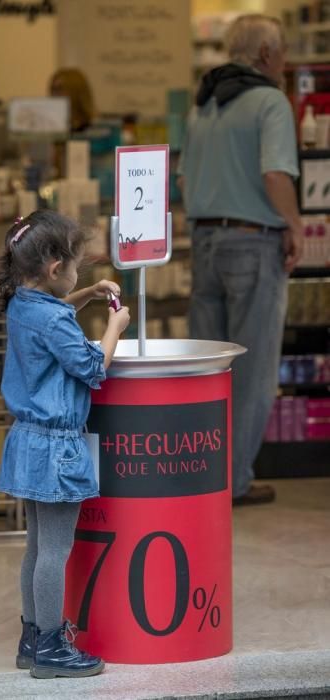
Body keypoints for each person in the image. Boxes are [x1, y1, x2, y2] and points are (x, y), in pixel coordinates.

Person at [0, 210, 130, 678]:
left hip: (27, 442)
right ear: (55, 268)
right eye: (78, 267)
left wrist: (88, 295)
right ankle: (52, 647)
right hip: (57, 448)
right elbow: (92, 367)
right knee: (55, 551)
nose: (79, 272)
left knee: (36, 547)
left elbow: (53, 318)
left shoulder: (22, 303)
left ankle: (32, 638)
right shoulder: (51, 319)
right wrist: (114, 328)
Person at [178, 14, 303, 506]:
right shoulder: (269, 101)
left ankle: (201, 473)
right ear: (268, 55)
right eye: (284, 51)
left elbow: (185, 182)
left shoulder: (203, 105)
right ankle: (236, 481)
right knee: (252, 373)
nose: (287, 61)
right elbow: (276, 174)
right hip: (252, 244)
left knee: (206, 368)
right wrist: (294, 224)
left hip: (205, 245)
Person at [49, 67, 95, 132]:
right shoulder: (50, 125)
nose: (54, 94)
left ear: (76, 91)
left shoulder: (94, 126)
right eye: (53, 89)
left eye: (60, 89)